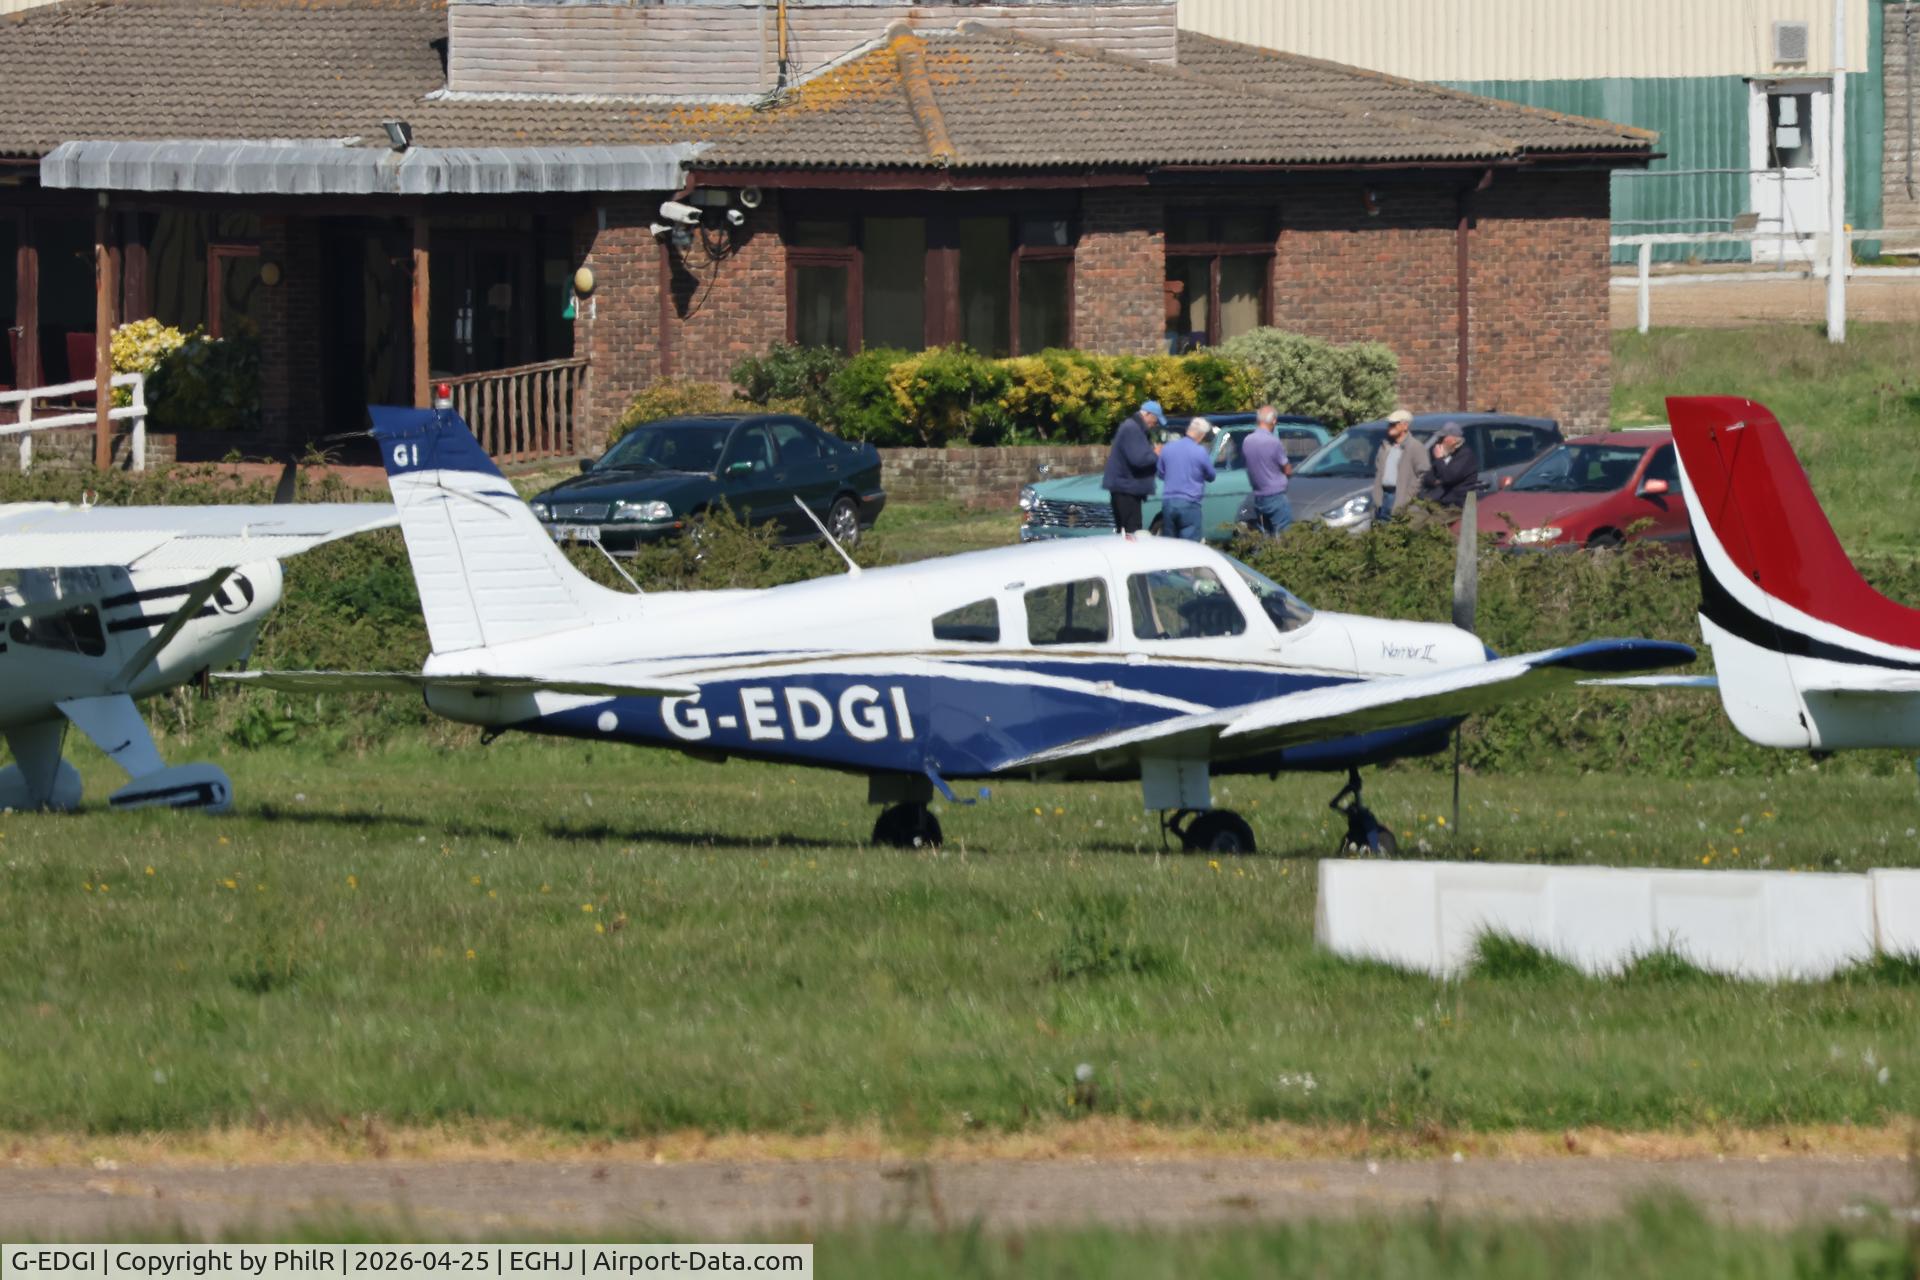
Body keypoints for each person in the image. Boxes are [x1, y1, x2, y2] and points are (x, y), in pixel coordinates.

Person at [1103, 399, 1163, 539]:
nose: (1154, 425)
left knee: (1127, 532)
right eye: (1155, 421)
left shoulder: (1134, 427)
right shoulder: (1132, 429)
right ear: (1147, 414)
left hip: (1127, 488)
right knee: (1132, 532)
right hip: (1126, 489)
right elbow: (1138, 460)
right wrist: (1155, 453)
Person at [1157, 416, 1217, 541]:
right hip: (1190, 502)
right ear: (1201, 435)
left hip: (1169, 502)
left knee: (1170, 543)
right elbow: (1211, 475)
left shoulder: (1168, 448)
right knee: (1190, 545)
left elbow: (1161, 473)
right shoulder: (1200, 451)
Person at [1370, 409, 1431, 523]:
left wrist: (1408, 495)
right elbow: (1378, 471)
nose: (1390, 427)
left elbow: (1424, 474)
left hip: (1400, 498)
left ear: (1405, 426)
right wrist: (1377, 497)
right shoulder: (1385, 446)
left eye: (1394, 424)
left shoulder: (1415, 447)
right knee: (1381, 533)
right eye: (1389, 424)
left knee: (1397, 533)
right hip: (1383, 496)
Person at [1240, 405, 1294, 536]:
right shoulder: (1273, 442)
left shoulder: (1247, 441)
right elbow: (1286, 469)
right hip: (1276, 495)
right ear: (1274, 420)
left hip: (1258, 496)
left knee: (1265, 534)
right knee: (1284, 534)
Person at [1422, 423, 1480, 508]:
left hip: (1457, 504)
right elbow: (1427, 476)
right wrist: (1435, 482)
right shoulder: (1438, 453)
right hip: (1438, 501)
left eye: (1443, 438)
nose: (1439, 441)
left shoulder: (1465, 455)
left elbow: (1448, 478)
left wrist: (1439, 459)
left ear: (1453, 439)